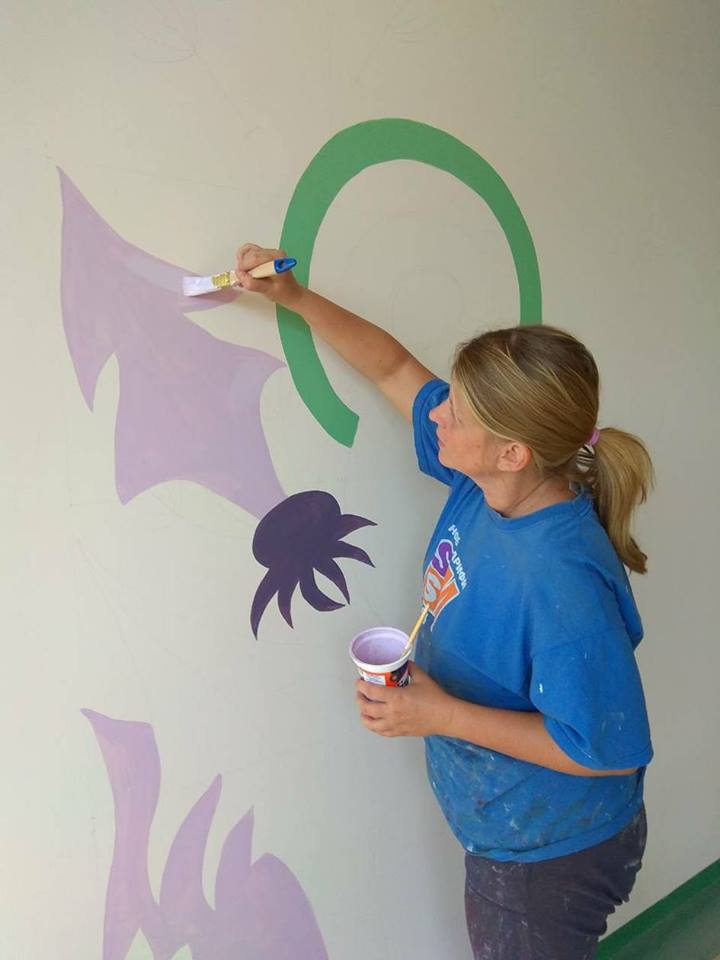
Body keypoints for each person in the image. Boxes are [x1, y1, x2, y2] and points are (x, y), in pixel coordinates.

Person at [234, 243, 654, 960]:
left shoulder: (558, 581)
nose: (438, 416)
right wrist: (295, 298)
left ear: (513, 451)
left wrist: (439, 715)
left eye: (456, 411)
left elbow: (605, 751)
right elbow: (394, 369)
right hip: (517, 829)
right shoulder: (483, 485)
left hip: (550, 853)